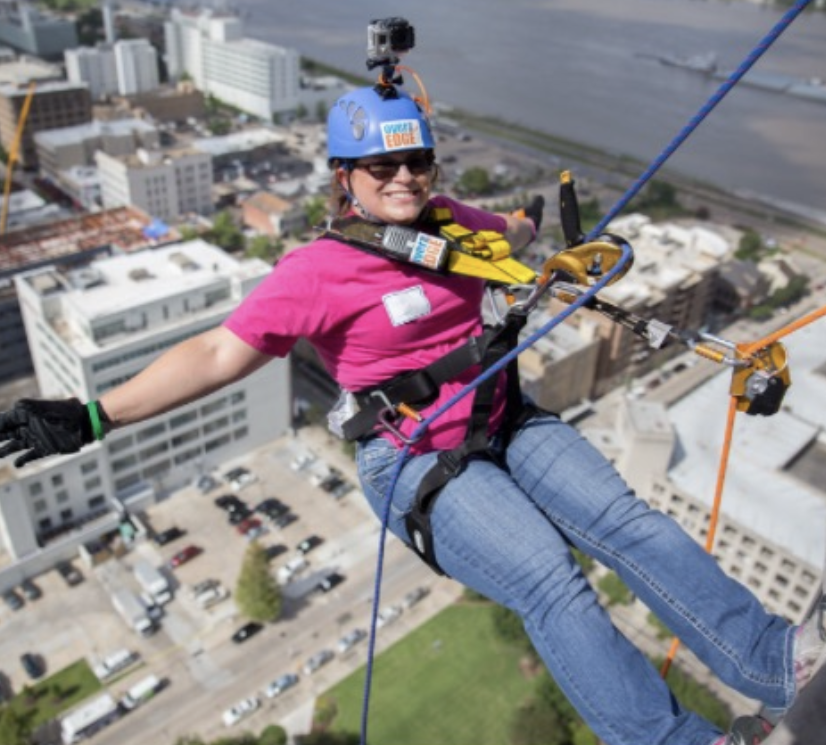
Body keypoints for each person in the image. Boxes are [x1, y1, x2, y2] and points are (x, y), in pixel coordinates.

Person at [1, 82, 824, 745]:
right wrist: (92, 415)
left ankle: (771, 659)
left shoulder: (448, 222)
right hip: (414, 461)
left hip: (503, 419)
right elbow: (219, 353)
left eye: (418, 164)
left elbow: (504, 233)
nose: (403, 179)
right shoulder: (316, 271)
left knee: (626, 522)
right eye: (379, 166)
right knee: (550, 579)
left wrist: (534, 227)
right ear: (343, 177)